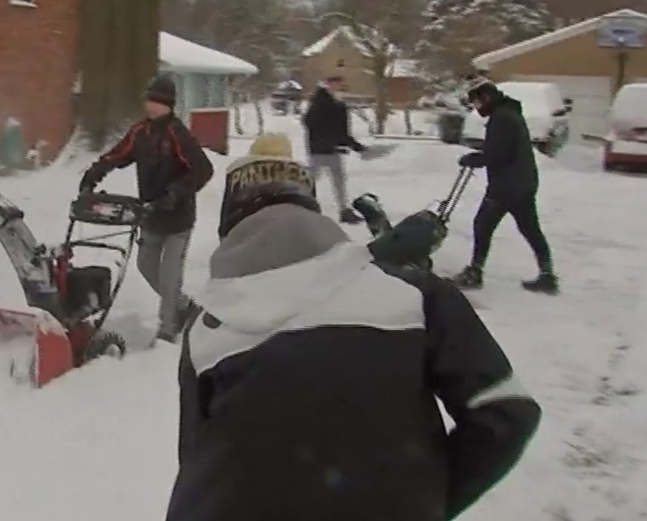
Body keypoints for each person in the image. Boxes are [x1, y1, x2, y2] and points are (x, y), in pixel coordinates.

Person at [164, 165, 541, 521]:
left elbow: (195, 457)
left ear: (229, 234)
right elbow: (506, 412)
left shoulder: (205, 330)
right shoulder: (414, 295)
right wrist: (425, 500)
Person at [79, 74, 214, 342]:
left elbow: (203, 170)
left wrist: (175, 193)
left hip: (178, 218)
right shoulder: (141, 133)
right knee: (145, 266)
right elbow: (118, 155)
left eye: (159, 102)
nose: (152, 106)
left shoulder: (177, 133)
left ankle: (167, 328)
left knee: (169, 275)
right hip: (150, 214)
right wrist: (94, 172)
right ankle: (184, 306)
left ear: (170, 106)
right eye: (150, 100)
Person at [451, 76, 558, 294]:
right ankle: (547, 275)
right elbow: (502, 148)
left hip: (506, 186)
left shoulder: (501, 118)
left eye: (477, 102)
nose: (476, 107)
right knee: (530, 229)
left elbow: (498, 154)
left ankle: (475, 272)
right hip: (524, 182)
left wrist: (474, 159)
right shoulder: (509, 113)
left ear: (487, 97)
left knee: (482, 226)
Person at [218, 131, 312, 238]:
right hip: (297, 232)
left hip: (246, 231)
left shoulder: (237, 170)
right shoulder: (304, 172)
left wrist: (224, 236)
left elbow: (228, 207)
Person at [302, 75, 366, 223]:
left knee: (339, 180)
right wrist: (328, 140)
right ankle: (304, 209)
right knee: (310, 180)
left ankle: (344, 210)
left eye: (341, 84)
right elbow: (310, 123)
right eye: (336, 84)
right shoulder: (319, 102)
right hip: (319, 149)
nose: (339, 87)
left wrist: (351, 144)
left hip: (333, 149)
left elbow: (341, 130)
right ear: (328, 85)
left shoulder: (338, 103)